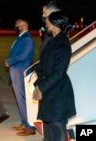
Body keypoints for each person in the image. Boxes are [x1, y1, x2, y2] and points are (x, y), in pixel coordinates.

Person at [32, 11, 76, 141]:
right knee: (50, 128)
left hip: (58, 93)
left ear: (55, 25)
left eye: (48, 24)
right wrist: (38, 85)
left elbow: (58, 72)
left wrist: (41, 89)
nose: (47, 26)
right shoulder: (52, 41)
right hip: (49, 91)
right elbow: (42, 65)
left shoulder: (63, 44)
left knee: (58, 128)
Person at [5, 18, 35, 136]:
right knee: (20, 100)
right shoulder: (21, 37)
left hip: (21, 72)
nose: (15, 26)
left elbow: (23, 55)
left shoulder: (27, 39)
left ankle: (30, 126)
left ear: (23, 26)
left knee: (23, 100)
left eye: (16, 24)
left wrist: (9, 61)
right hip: (16, 71)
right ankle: (24, 122)